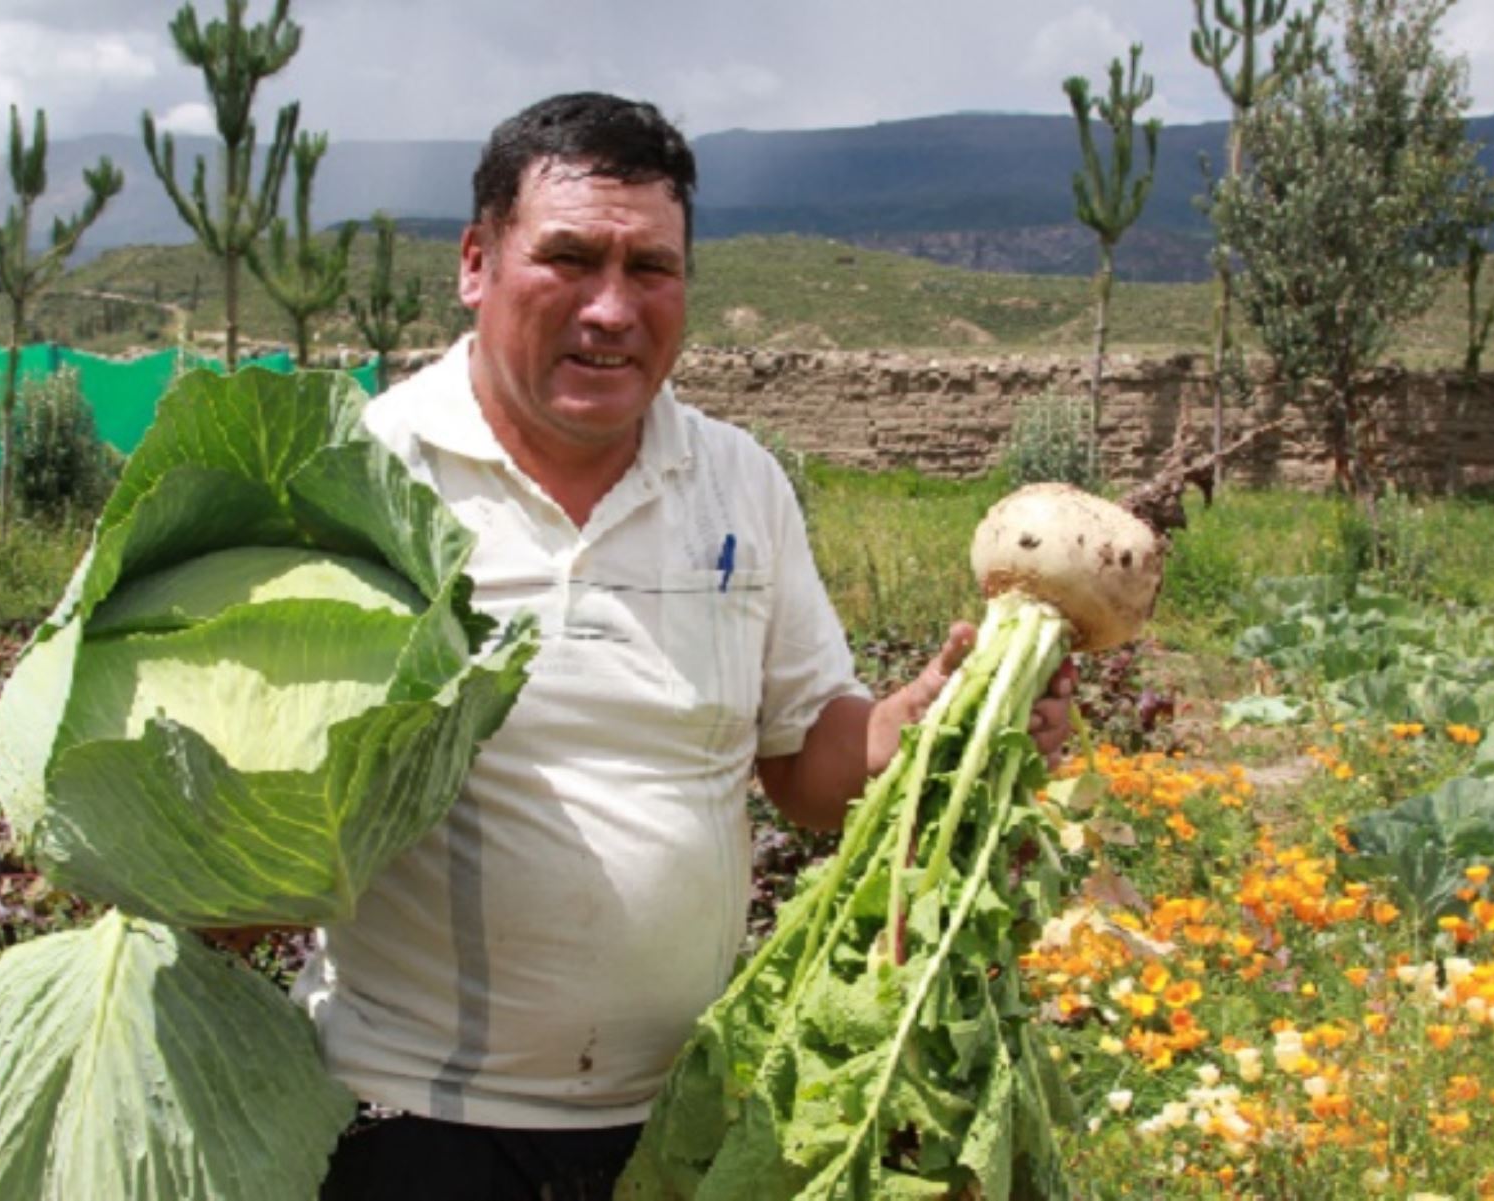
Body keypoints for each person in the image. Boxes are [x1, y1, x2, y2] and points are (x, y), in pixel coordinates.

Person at [292, 92, 1074, 1201]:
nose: (612, 309)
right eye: (568, 258)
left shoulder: (737, 479)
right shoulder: (365, 475)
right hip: (414, 1120)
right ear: (476, 262)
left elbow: (808, 767)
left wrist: (928, 716)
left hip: (689, 1116)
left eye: (650, 268)